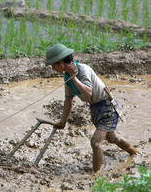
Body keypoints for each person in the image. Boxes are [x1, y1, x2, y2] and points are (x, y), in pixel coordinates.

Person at [45, 43, 138, 172]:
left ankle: (95, 177)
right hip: (95, 107)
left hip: (106, 107)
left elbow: (88, 92)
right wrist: (63, 121)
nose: (53, 68)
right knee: (112, 138)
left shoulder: (83, 70)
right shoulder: (67, 77)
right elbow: (68, 100)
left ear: (60, 62)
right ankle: (135, 154)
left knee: (95, 142)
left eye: (53, 65)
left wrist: (74, 78)